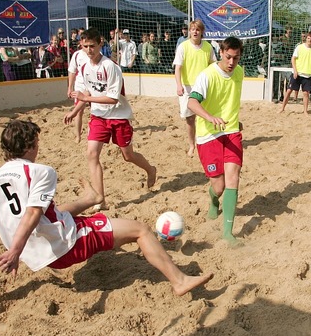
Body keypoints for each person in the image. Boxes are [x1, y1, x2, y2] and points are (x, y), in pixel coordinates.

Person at [0, 120, 213, 297]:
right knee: (140, 230)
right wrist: (13, 251)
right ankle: (179, 281)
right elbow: (33, 214)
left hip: (35, 254)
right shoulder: (40, 171)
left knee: (52, 210)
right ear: (31, 145)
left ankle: (91, 197)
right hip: (64, 247)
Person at [63, 28, 157, 211]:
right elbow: (87, 93)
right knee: (91, 154)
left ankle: (150, 169)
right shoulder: (84, 67)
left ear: (100, 44)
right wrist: (75, 111)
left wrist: (86, 99)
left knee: (128, 156)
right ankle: (101, 199)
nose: (89, 50)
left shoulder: (111, 67)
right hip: (98, 116)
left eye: (92, 46)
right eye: (85, 46)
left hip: (119, 116)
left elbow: (112, 99)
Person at [186, 36, 244, 246]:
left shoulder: (240, 72)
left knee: (233, 177)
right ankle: (213, 199)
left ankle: (228, 233)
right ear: (221, 52)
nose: (231, 62)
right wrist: (210, 117)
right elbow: (192, 102)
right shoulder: (207, 76)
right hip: (208, 135)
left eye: (236, 58)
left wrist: (236, 121)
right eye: (228, 57)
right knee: (219, 187)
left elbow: (230, 100)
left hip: (231, 132)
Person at [173, 20, 216, 157]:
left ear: (202, 31)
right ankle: (192, 145)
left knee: (204, 116)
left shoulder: (208, 47)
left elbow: (213, 66)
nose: (195, 32)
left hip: (203, 86)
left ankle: (206, 142)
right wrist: (179, 85)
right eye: (192, 29)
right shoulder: (183, 47)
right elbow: (178, 68)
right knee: (190, 119)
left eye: (197, 29)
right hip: (188, 87)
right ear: (189, 31)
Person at [280, 31, 311, 115]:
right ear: (306, 38)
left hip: (307, 74)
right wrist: (295, 70)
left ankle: (305, 111)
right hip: (298, 73)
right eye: (308, 38)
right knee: (289, 91)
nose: (309, 40)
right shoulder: (299, 47)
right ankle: (282, 108)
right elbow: (293, 59)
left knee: (305, 93)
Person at [66, 40, 89, 143]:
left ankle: (92, 134)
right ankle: (78, 136)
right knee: (79, 111)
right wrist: (70, 87)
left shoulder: (96, 54)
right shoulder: (77, 55)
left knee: (95, 111)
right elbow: (72, 71)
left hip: (92, 87)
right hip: (80, 87)